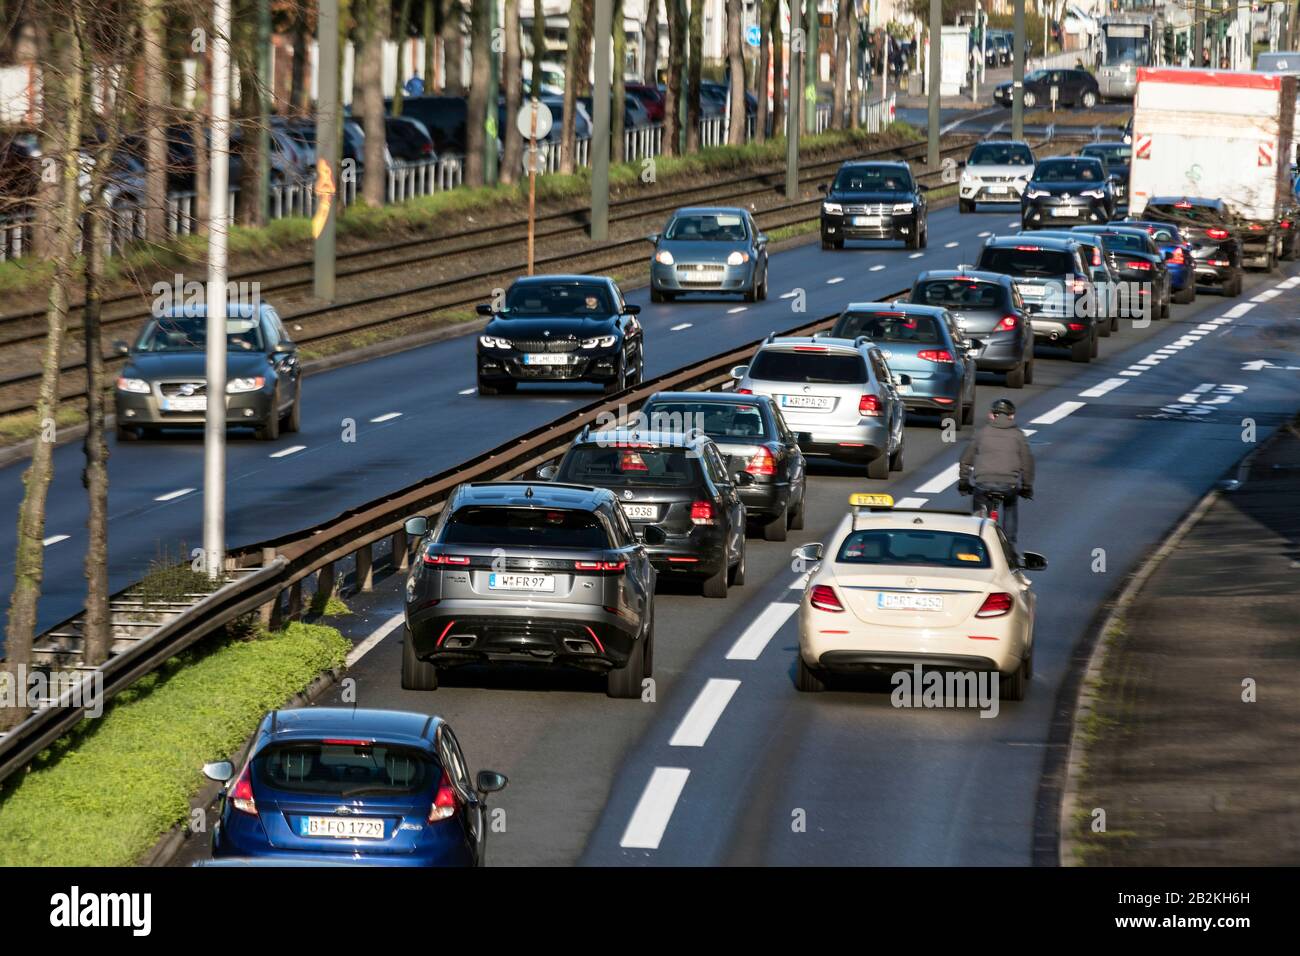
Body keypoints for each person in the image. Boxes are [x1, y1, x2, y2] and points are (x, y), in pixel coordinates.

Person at [958, 398, 1035, 544]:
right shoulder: (1018, 435)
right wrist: (1027, 487)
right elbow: (1027, 463)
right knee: (1010, 506)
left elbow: (965, 460)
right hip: (1008, 485)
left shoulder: (981, 433)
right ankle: (1010, 543)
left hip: (983, 483)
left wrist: (963, 482)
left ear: (992, 415)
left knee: (979, 514)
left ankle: (977, 538)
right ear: (1012, 416)